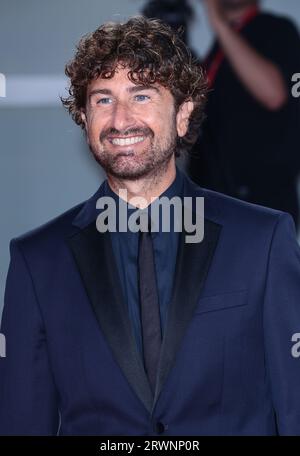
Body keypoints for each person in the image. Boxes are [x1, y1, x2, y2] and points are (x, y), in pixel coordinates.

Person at [1, 16, 300, 436]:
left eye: (141, 96)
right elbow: (21, 420)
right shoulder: (37, 260)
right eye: (103, 100)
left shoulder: (263, 240)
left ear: (183, 115)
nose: (121, 120)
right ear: (85, 120)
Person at [188, 0, 300, 228]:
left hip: (260, 209)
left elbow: (273, 94)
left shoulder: (278, 30)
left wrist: (218, 21)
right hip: (214, 208)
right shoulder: (218, 51)